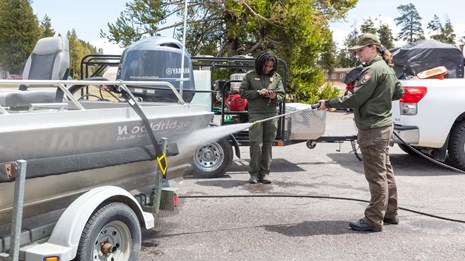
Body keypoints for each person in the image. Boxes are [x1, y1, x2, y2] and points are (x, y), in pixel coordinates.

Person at [318, 33, 404, 232]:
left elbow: (355, 99)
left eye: (361, 50)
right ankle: (390, 213)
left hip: (373, 128)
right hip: (383, 126)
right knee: (385, 171)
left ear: (373, 48)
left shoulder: (372, 70)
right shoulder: (386, 68)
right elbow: (398, 92)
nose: (358, 54)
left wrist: (327, 103)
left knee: (376, 175)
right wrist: (378, 99)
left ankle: (374, 219)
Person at [239, 52, 285, 184]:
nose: (268, 69)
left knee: (267, 144)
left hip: (271, 114)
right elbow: (242, 93)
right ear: (260, 64)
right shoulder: (250, 76)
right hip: (256, 113)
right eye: (266, 66)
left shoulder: (276, 77)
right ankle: (253, 174)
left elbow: (281, 95)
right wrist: (258, 93)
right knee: (256, 144)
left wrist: (273, 96)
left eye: (271, 67)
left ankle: (264, 174)